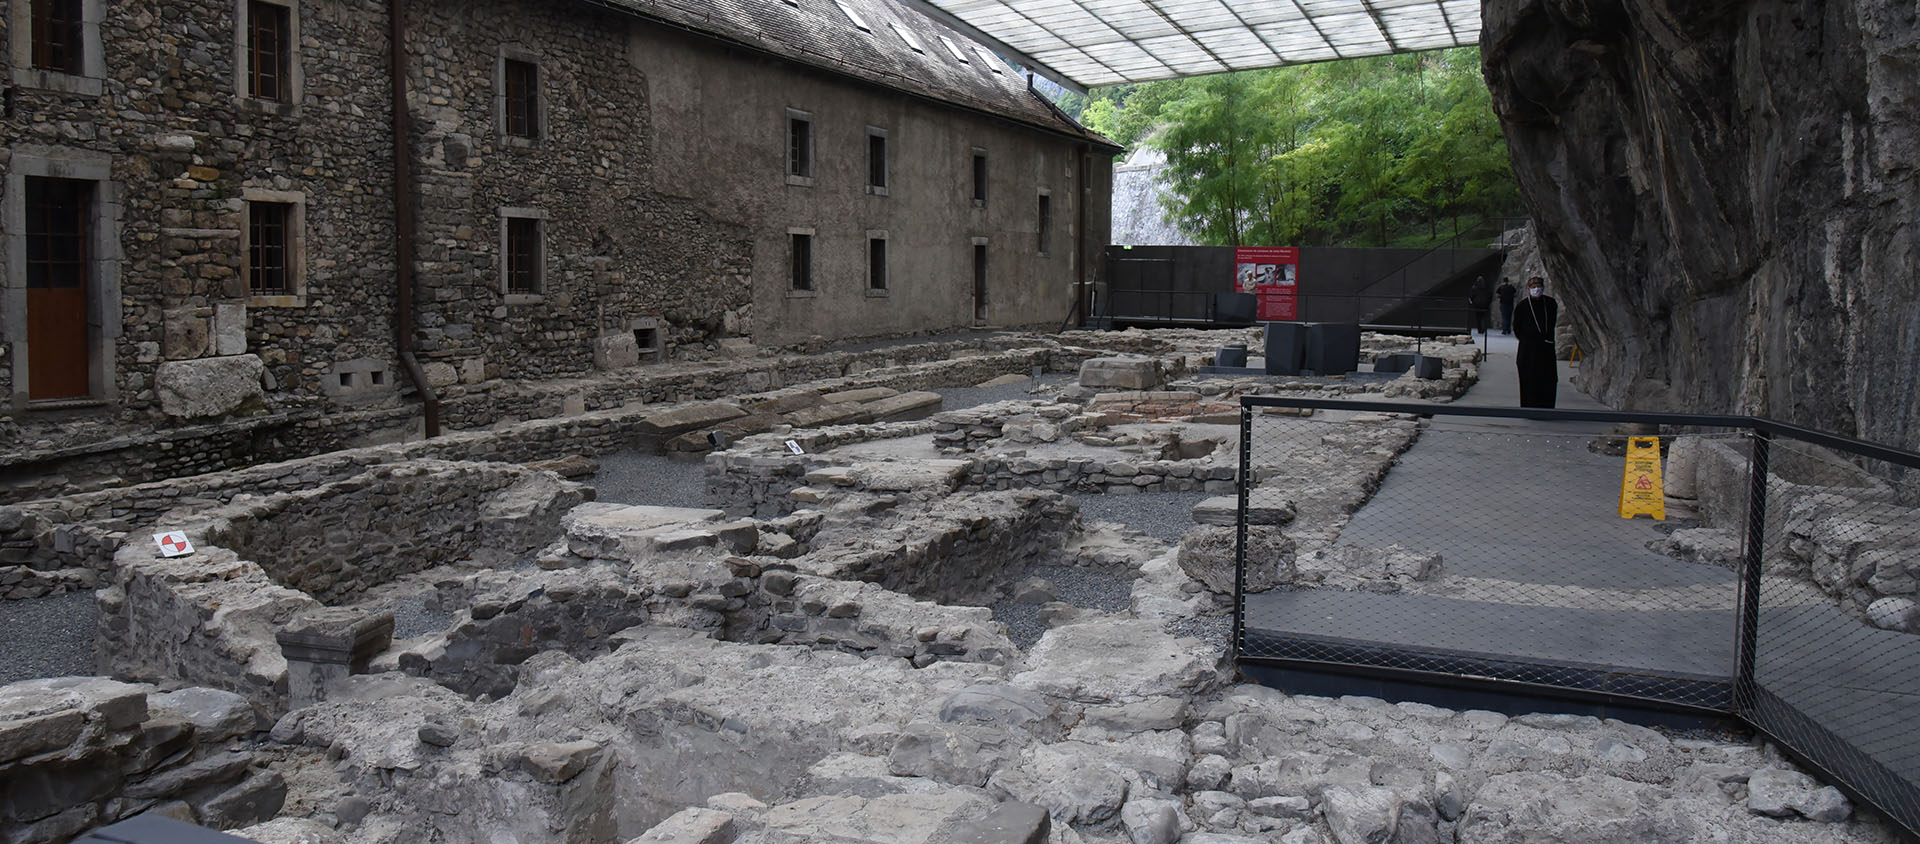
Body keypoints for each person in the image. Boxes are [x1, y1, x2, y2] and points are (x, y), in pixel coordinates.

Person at [1512, 276, 1559, 408]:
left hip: (1546, 348)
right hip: (1528, 350)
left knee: (1548, 379)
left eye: (1538, 286)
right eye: (1533, 287)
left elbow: (1551, 323)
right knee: (1529, 379)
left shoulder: (1550, 303)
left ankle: (1546, 408)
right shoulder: (1522, 306)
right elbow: (1517, 327)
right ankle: (1529, 407)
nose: (1536, 289)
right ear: (1528, 289)